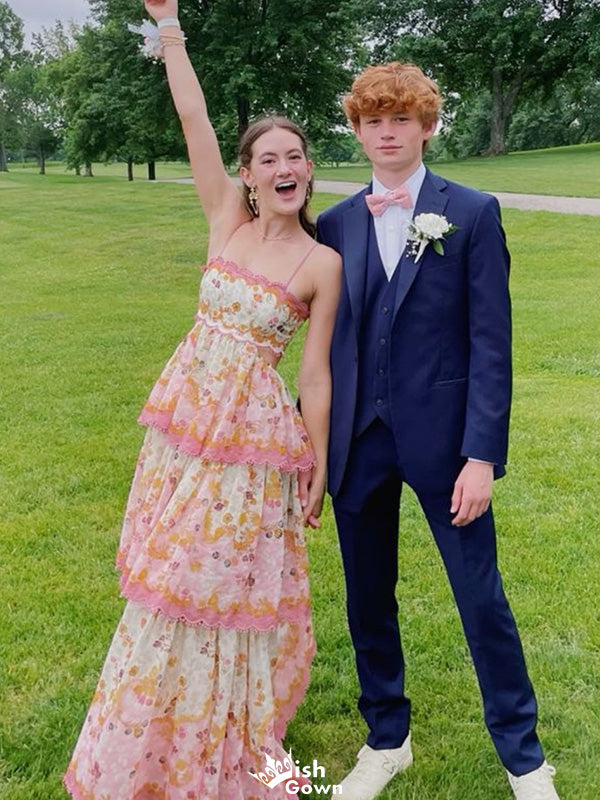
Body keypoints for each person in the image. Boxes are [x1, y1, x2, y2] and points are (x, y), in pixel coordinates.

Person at [63, 1, 341, 798]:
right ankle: (146, 731)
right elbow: (193, 116)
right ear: (249, 174)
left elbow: (314, 374)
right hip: (185, 427)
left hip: (251, 443)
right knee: (170, 579)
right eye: (268, 157)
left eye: (296, 156)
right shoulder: (225, 216)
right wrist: (169, 25)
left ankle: (223, 729)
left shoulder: (322, 263)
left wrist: (318, 462)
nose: (284, 167)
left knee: (222, 582)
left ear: (308, 170)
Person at [316, 62, 561, 800]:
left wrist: (481, 455)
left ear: (427, 126)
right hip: (359, 440)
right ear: (358, 131)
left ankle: (524, 759)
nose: (387, 133)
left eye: (402, 119)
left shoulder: (474, 212)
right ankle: (386, 740)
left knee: (480, 598)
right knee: (367, 597)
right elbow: (330, 343)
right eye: (374, 121)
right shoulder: (336, 223)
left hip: (449, 447)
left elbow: (492, 343)